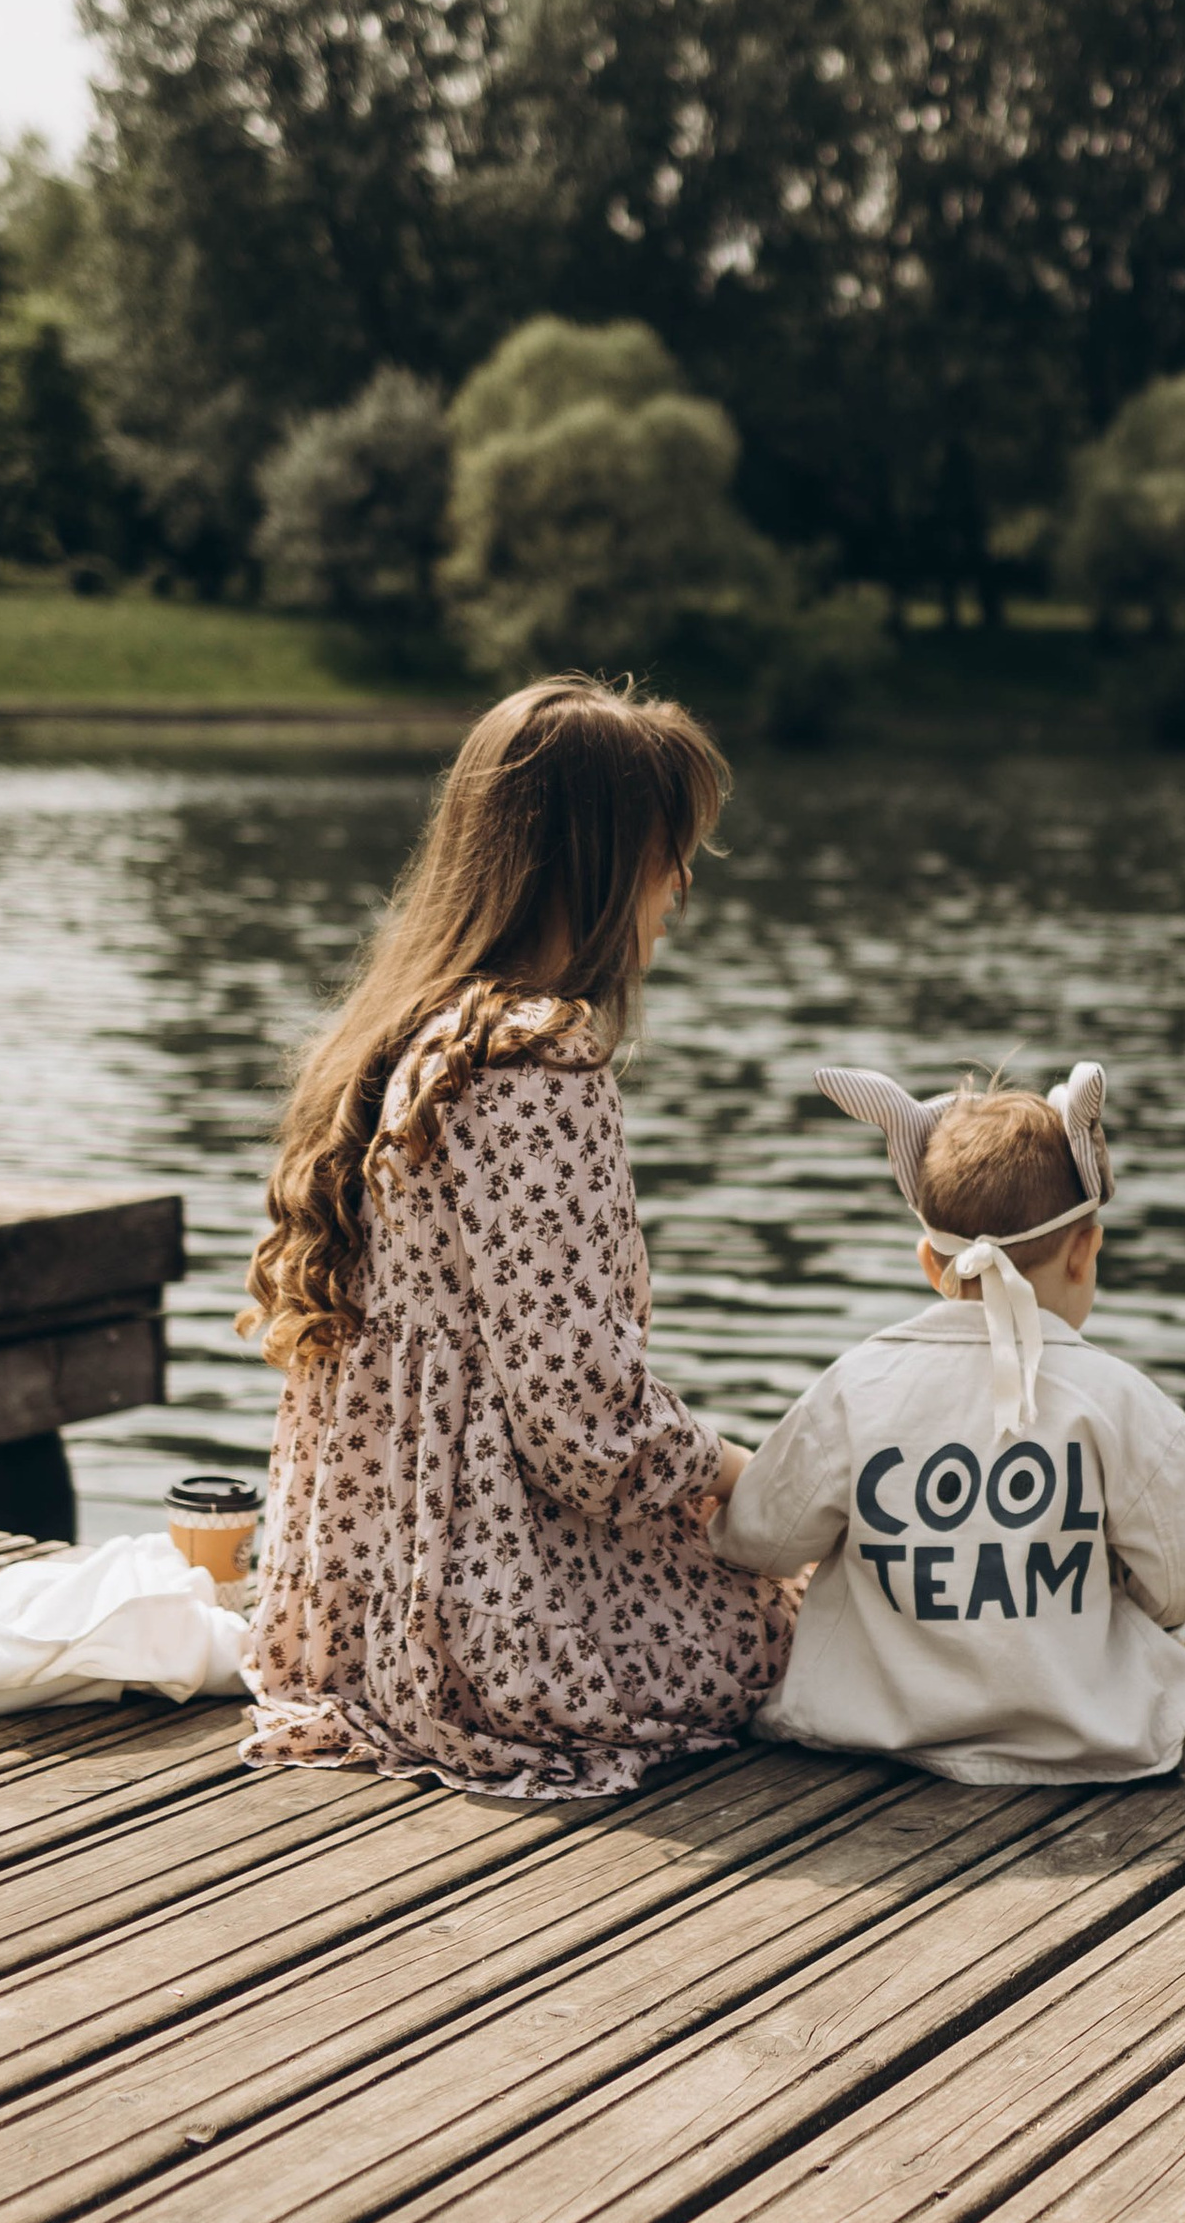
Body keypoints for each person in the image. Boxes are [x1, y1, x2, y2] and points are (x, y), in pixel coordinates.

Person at [237, 674, 791, 1798]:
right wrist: (749, 1479)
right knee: (804, 1629)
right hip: (487, 1633)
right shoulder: (536, 1065)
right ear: (593, 861)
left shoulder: (406, 1038)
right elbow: (582, 1418)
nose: (681, 884)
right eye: (665, 849)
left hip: (351, 1617)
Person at [712, 1062, 1185, 1785]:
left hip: (867, 1742)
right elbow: (1179, 1589)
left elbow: (758, 1540)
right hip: (1084, 1752)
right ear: (1085, 1252)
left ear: (931, 1261)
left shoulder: (857, 1386)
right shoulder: (1125, 1403)